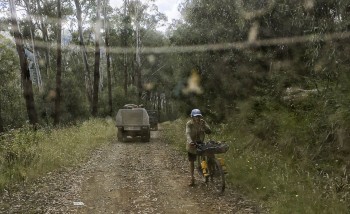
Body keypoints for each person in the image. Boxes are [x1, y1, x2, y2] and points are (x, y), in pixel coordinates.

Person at [185, 108, 212, 186]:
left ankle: (206, 173)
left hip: (201, 143)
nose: (197, 118)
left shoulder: (202, 122)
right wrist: (190, 142)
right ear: (192, 117)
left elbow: (209, 131)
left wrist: (205, 127)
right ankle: (192, 178)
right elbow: (188, 134)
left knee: (205, 157)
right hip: (192, 144)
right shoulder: (189, 124)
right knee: (192, 161)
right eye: (195, 116)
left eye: (199, 116)